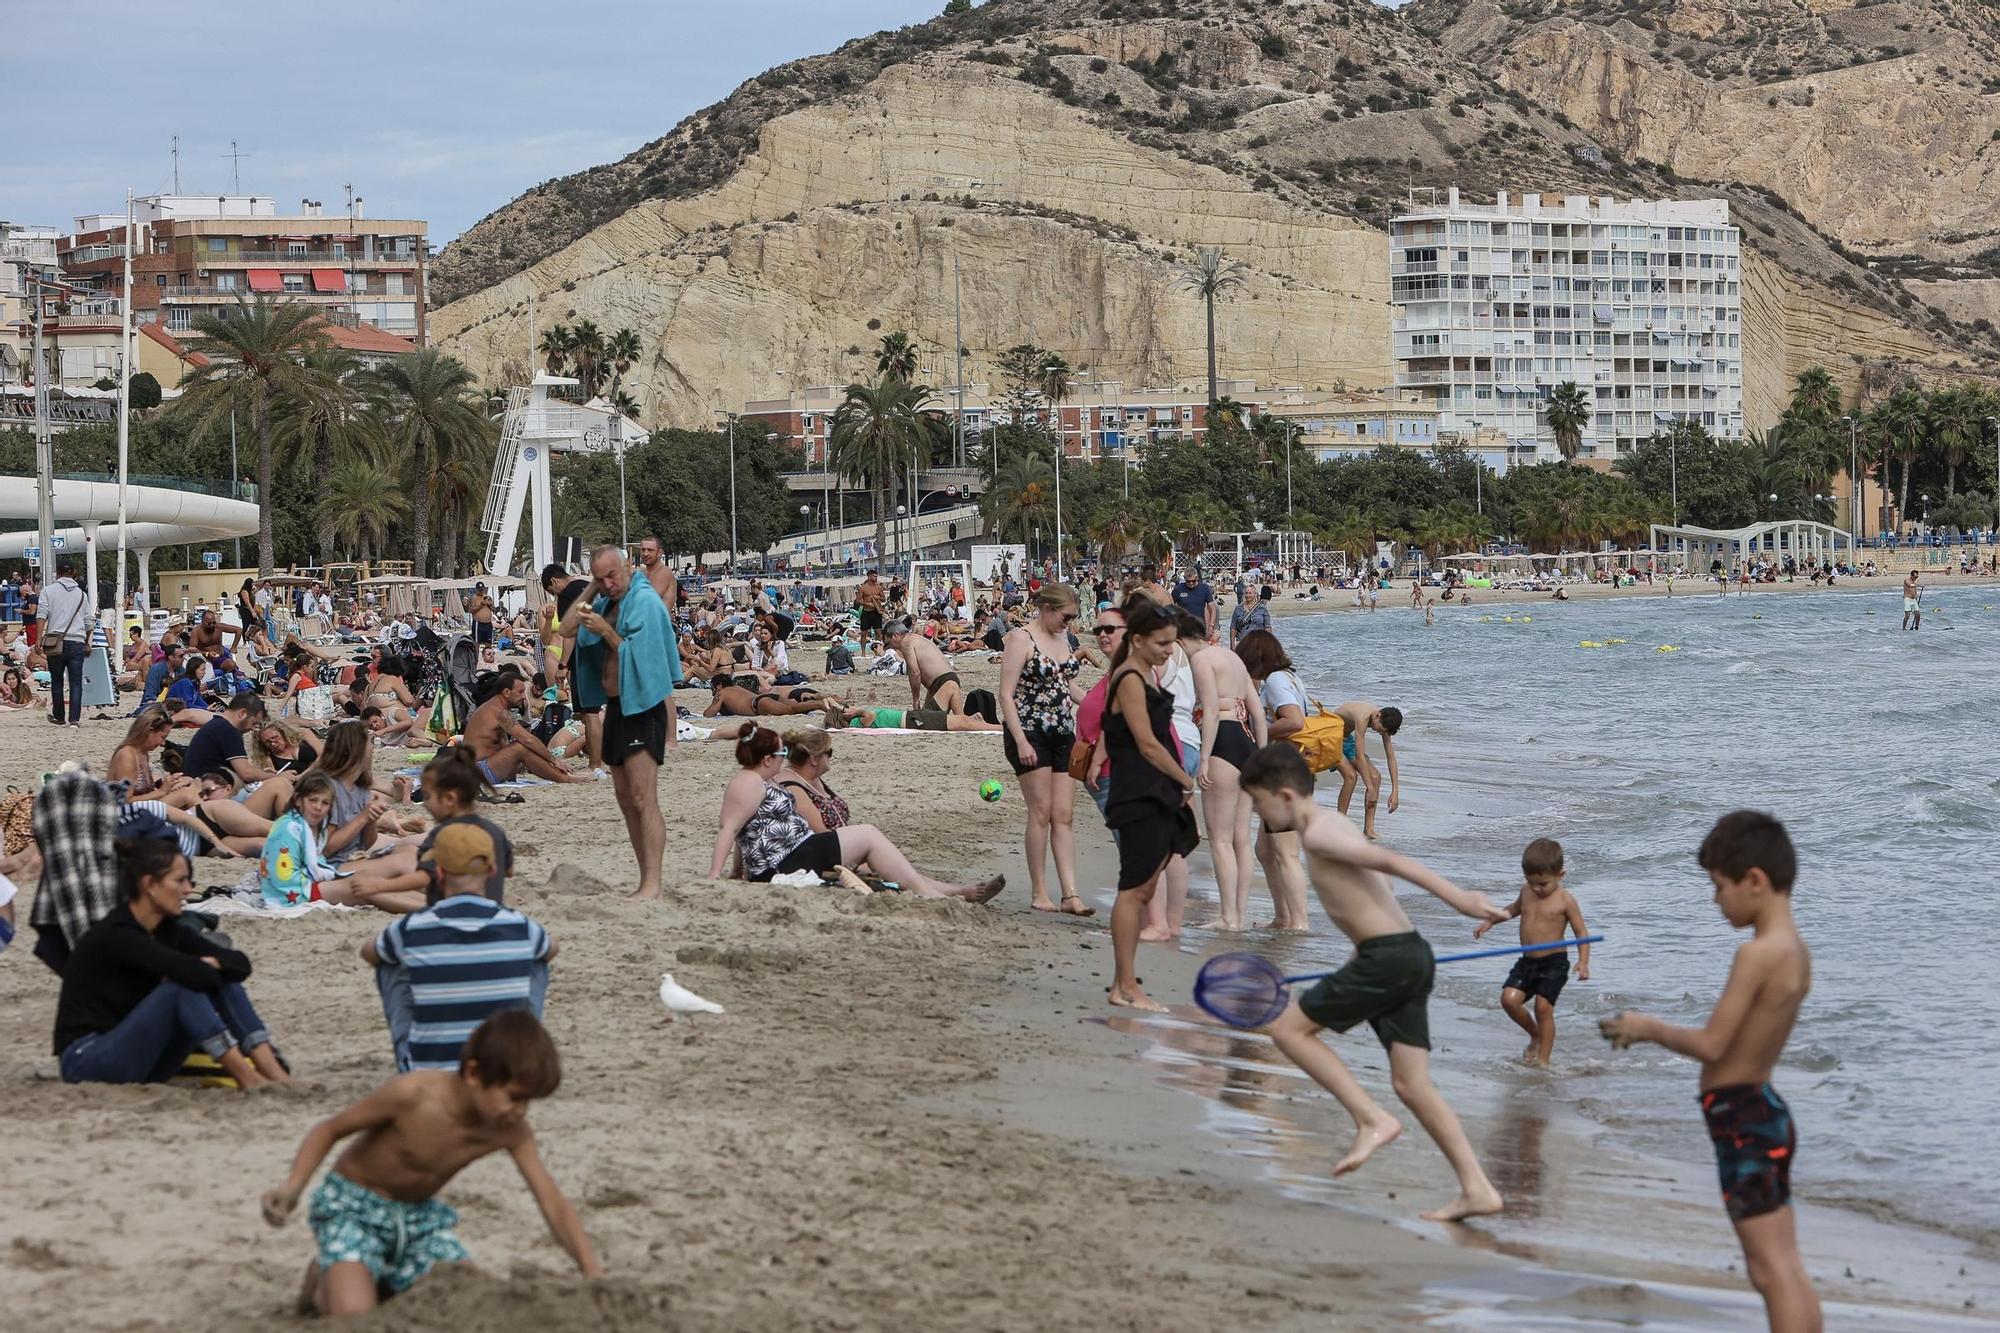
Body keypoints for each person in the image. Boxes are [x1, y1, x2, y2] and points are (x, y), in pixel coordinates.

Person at [1238, 743, 1507, 1220]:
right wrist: (1363, 947)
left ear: (1282, 795)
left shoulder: (1319, 835)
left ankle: (1371, 1119)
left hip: (1388, 959)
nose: (1257, 812)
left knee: (1286, 1030)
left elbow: (1391, 863)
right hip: (1406, 953)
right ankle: (1477, 1188)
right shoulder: (1330, 822)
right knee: (1413, 1085)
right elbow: (1372, 892)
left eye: (1257, 803)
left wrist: (1460, 899)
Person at [1601, 812, 1819, 1331]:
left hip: (1742, 1120)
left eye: (1718, 887)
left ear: (1755, 882)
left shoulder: (1757, 955)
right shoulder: (1797, 952)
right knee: (1786, 1266)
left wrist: (1645, 1027)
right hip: (1765, 1113)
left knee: (1769, 1273)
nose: (1715, 899)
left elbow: (1713, 1045)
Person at [260, 1010, 601, 1316]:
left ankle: (373, 1276)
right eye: (515, 1096)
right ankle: (324, 1281)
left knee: (468, 1301)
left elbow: (551, 1201)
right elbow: (329, 1129)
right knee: (355, 1317)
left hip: (419, 1221)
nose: (521, 1111)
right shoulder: (414, 1095)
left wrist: (592, 1274)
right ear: (473, 1073)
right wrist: (293, 1186)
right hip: (352, 1209)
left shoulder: (510, 1131)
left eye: (529, 1101)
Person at [52, 837, 292, 1088]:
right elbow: (193, 975)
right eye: (180, 881)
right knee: (181, 988)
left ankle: (276, 1074)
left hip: (138, 1056)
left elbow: (240, 964)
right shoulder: (119, 934)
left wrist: (213, 966)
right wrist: (208, 966)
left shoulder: (167, 929)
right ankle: (247, 1076)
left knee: (219, 979)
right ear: (150, 885)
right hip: (85, 1058)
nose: (188, 889)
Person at [710, 725, 1003, 899]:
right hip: (786, 860)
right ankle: (935, 897)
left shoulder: (758, 781)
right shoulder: (749, 783)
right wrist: (714, 876)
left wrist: (737, 871)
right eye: (780, 754)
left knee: (872, 842)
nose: (783, 759)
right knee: (869, 835)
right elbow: (730, 828)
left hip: (789, 855)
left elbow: (746, 832)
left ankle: (943, 893)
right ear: (766, 758)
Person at [365, 821, 551, 1072]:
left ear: (439, 873)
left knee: (390, 959)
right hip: (505, 1070)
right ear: (492, 869)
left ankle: (412, 1055)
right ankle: (522, 1045)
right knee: (538, 955)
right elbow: (552, 948)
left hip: (429, 1071)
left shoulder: (412, 927)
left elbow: (369, 951)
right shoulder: (519, 924)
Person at [567, 544, 677, 898]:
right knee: (625, 798)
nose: (609, 583)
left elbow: (643, 655)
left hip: (641, 706)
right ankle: (644, 878)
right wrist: (590, 588)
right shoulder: (605, 602)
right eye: (602, 579)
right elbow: (568, 627)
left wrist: (604, 630)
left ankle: (653, 883)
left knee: (644, 797)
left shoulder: (643, 602)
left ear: (627, 567)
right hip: (615, 706)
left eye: (612, 575)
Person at [1104, 602, 1199, 1011]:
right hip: (1137, 789)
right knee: (1133, 889)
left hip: (1154, 789)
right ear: (1138, 640)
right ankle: (1124, 985)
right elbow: (1145, 742)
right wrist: (1184, 778)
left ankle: (1125, 983)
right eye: (1162, 643)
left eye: (1172, 642)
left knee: (1143, 887)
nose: (1168, 649)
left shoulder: (1146, 671)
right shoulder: (1127, 677)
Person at [998, 584, 1088, 915]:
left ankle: (1070, 894)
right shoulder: (1022, 638)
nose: (1069, 622)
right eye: (1066, 616)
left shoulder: (1062, 637)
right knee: (1041, 811)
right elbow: (1005, 694)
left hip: (1063, 729)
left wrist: (1097, 705)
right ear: (1047, 608)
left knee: (1064, 814)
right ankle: (1039, 891)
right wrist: (1020, 740)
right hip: (1029, 730)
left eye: (1073, 617)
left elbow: (1066, 684)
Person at [1474, 837, 1593, 1067]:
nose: (1537, 889)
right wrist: (1491, 921)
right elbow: (1513, 910)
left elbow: (1581, 932)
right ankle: (1535, 1035)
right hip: (1527, 962)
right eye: (1531, 882)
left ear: (1561, 875)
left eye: (1543, 884)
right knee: (1508, 1000)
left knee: (1543, 1007)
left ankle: (1543, 1061)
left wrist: (1584, 962)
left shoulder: (1565, 901)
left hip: (1554, 963)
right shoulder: (1526, 892)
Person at [1193, 608, 1266, 932]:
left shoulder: (1202, 660)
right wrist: (1262, 755)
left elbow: (1209, 710)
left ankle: (1228, 918)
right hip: (1247, 742)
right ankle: (1239, 911)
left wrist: (1204, 757)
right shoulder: (1235, 659)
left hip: (1222, 740)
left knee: (1220, 840)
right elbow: (1258, 713)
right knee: (1240, 839)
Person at [1234, 630, 1311, 931]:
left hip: (1284, 773)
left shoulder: (1277, 680)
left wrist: (1257, 733)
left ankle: (1298, 922)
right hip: (1286, 769)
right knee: (1265, 851)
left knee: (1286, 852)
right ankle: (1282, 917)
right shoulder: (1289, 677)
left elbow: (1294, 721)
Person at [181, 692, 298, 818]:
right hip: (216, 803)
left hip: (207, 795)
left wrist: (263, 774)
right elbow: (246, 773)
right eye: (253, 723)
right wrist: (276, 776)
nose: (252, 728)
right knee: (280, 784)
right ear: (242, 713)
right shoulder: (229, 731)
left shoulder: (216, 726)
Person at [464, 670, 588, 785]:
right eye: (520, 692)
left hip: (480, 769)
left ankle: (561, 775)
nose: (524, 696)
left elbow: (504, 747)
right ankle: (564, 779)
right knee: (520, 748)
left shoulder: (495, 708)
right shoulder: (498, 712)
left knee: (519, 751)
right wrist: (554, 760)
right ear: (506, 692)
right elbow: (528, 739)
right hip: (478, 771)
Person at [1333, 701, 1403, 840]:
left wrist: (1395, 791)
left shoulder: (1383, 721)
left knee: (1375, 777)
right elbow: (1360, 755)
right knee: (1351, 777)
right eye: (1380, 729)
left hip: (1346, 739)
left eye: (1383, 732)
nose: (1379, 732)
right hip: (1330, 738)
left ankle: (1369, 830)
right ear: (1377, 716)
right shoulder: (1362, 717)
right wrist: (1369, 788)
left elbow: (1390, 757)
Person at [36, 558, 93, 727]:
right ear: (73, 573)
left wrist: (38, 639)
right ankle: (74, 719)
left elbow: (41, 615)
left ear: (58, 573)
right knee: (76, 682)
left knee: (57, 680)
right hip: (77, 642)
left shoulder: (48, 591)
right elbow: (89, 621)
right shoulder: (82, 595)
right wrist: (87, 640)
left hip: (56, 641)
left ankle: (59, 716)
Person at [887, 618, 966, 715]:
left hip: (942, 682)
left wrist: (916, 700)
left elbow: (914, 672)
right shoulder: (918, 638)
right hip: (949, 678)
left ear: (895, 636)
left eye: (889, 643)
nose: (892, 647)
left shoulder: (905, 642)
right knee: (957, 719)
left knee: (926, 721)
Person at [776, 727, 850, 833]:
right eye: (829, 752)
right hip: (824, 845)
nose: (830, 757)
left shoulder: (810, 778)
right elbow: (820, 833)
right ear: (814, 759)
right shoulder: (793, 789)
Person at [1172, 563, 1217, 638]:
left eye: (1193, 581)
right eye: (1188, 581)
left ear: (1197, 578)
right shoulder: (1178, 589)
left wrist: (1211, 625)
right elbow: (1170, 605)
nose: (1191, 583)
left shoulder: (1204, 588)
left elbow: (1212, 607)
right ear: (1184, 579)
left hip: (1199, 627)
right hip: (1182, 628)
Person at [638, 534, 679, 615]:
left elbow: (649, 603)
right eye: (643, 550)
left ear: (659, 552)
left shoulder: (664, 573)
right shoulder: (641, 574)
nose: (645, 553)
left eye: (650, 550)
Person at [1228, 581, 1270, 649]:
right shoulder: (1238, 608)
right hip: (1242, 642)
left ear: (1255, 594)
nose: (1248, 595)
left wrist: (1268, 643)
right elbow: (1233, 628)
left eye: (1250, 593)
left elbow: (1267, 627)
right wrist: (1232, 644)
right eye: (1246, 593)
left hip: (1258, 643)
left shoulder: (1262, 608)